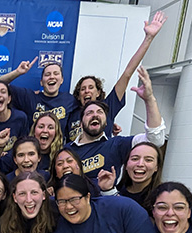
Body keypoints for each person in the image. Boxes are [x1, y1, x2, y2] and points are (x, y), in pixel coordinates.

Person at [66, 11, 167, 142]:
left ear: (98, 93)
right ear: (78, 96)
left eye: (91, 87)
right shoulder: (70, 113)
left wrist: (148, 38)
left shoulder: (108, 106)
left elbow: (127, 73)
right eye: (83, 89)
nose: (86, 91)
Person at [66, 66, 165, 182]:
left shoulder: (117, 145)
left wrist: (149, 99)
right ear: (81, 124)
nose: (95, 115)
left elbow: (155, 141)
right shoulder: (67, 150)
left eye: (99, 112)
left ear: (106, 122)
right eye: (89, 113)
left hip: (106, 199)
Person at [0, 59, 77, 134]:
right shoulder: (29, 97)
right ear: (41, 82)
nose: (52, 77)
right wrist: (18, 72)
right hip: (33, 147)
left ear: (62, 80)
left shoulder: (69, 100)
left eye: (56, 73)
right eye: (47, 74)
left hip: (58, 147)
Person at [117, 142, 163, 208]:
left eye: (148, 160)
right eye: (135, 159)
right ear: (126, 165)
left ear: (157, 167)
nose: (140, 164)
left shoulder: (162, 197)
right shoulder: (116, 191)